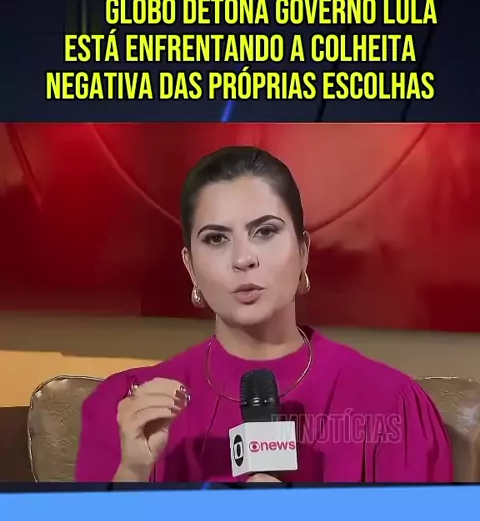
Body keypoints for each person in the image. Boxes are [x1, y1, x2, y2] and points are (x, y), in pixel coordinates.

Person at [76, 146, 453, 484]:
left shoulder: (389, 405)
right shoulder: (126, 408)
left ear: (303, 252)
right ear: (190, 267)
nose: (243, 259)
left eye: (265, 231)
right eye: (216, 238)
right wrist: (133, 473)